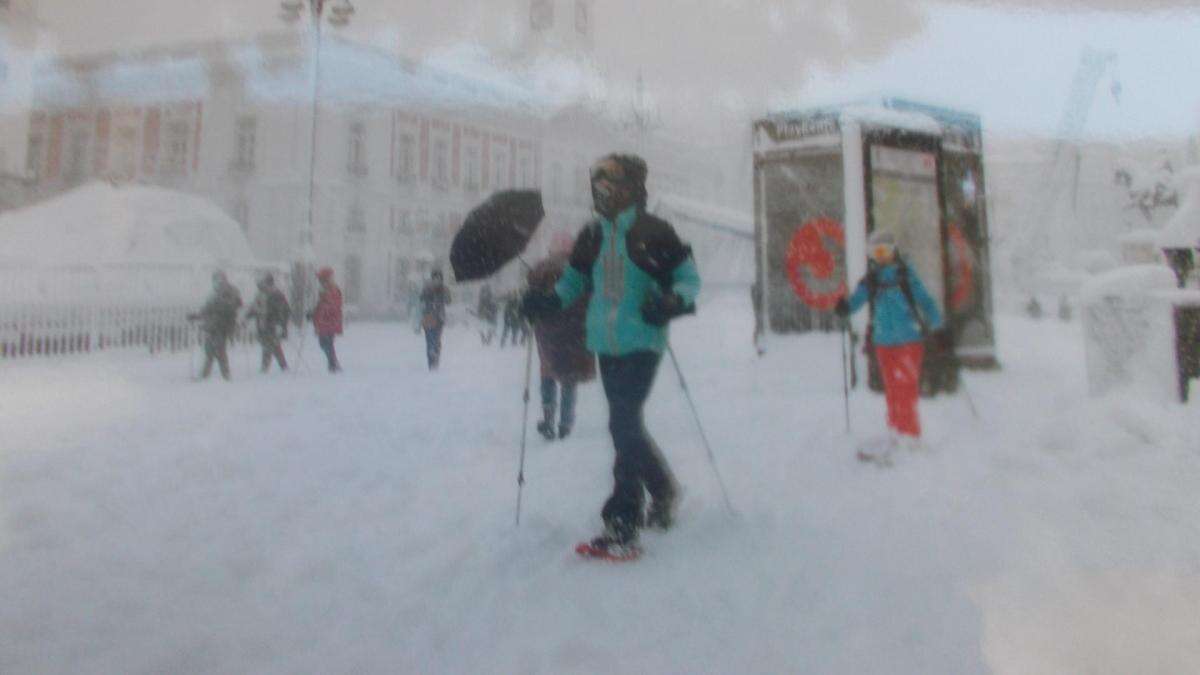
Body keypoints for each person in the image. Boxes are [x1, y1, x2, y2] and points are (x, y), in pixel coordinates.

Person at [522, 153, 700, 555]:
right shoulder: (592, 235)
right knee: (628, 424)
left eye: (609, 186)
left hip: (643, 340)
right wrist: (545, 301)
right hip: (605, 342)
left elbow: (688, 278)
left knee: (623, 423)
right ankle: (664, 489)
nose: (601, 193)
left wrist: (671, 300)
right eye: (597, 186)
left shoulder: (655, 231)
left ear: (631, 189)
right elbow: (572, 283)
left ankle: (623, 521)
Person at [835, 231, 943, 454]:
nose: (881, 256)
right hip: (883, 342)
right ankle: (895, 433)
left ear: (893, 250)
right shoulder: (872, 279)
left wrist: (936, 325)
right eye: (876, 252)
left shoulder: (906, 276)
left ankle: (910, 436)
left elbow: (925, 300)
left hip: (909, 340)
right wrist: (845, 306)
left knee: (906, 389)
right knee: (893, 390)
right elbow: (857, 299)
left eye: (884, 250)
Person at [527, 235, 596, 440]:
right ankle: (565, 424)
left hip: (549, 332)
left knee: (548, 374)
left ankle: (548, 419)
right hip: (576, 334)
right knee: (569, 379)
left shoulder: (542, 268)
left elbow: (531, 292)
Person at [188, 271, 243, 380]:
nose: (217, 282)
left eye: (218, 280)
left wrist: (201, 314)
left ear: (223, 279)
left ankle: (225, 375)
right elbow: (207, 308)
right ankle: (207, 374)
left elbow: (231, 306)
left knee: (219, 350)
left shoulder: (228, 292)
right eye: (215, 280)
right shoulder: (217, 293)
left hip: (222, 325)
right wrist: (196, 315)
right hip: (213, 325)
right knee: (210, 349)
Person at [245, 273, 291, 373]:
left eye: (262, 283)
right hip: (263, 325)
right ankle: (284, 367)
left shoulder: (277, 295)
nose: (260, 286)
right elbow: (254, 308)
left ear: (268, 283)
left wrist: (281, 324)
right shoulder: (260, 295)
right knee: (274, 347)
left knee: (268, 346)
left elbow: (285, 311)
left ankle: (264, 369)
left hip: (272, 325)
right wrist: (246, 317)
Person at [311, 266, 343, 372]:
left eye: (321, 279)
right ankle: (333, 363)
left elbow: (332, 306)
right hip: (324, 322)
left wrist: (319, 310)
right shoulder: (325, 290)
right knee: (326, 343)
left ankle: (332, 364)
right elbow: (321, 305)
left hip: (329, 322)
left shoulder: (332, 290)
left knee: (326, 343)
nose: (320, 282)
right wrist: (313, 312)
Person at [420, 269, 451, 369]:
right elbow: (421, 298)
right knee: (431, 341)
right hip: (432, 317)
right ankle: (432, 362)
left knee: (434, 340)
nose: (437, 280)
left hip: (436, 317)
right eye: (435, 278)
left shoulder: (442, 289)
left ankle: (434, 361)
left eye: (438, 278)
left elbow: (448, 301)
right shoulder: (428, 287)